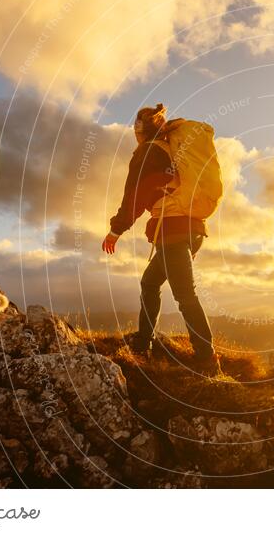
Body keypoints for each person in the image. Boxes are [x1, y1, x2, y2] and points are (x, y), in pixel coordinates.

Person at [102, 104, 221, 375]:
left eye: (136, 124)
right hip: (191, 228)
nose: (134, 128)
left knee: (185, 295)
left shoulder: (147, 152)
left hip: (172, 231)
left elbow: (135, 193)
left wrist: (116, 229)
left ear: (141, 129)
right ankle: (144, 343)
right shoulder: (171, 149)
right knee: (150, 282)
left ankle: (207, 359)